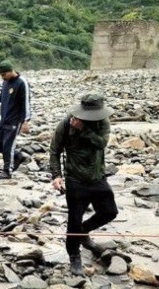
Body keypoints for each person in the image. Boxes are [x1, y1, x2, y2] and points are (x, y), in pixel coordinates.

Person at [49, 93, 118, 277]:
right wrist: (57, 175)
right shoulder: (66, 124)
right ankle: (74, 255)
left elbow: (101, 144)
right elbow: (55, 150)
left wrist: (84, 130)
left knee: (110, 212)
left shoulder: (103, 122)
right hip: (75, 180)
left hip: (97, 177)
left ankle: (84, 231)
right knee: (74, 219)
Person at [0, 60, 32, 179]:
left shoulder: (21, 83)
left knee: (8, 146)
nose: (2, 77)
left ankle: (7, 171)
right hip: (3, 118)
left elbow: (26, 103)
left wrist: (26, 121)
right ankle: (17, 156)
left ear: (11, 71)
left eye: (4, 74)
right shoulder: (6, 82)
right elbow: (1, 96)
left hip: (15, 120)